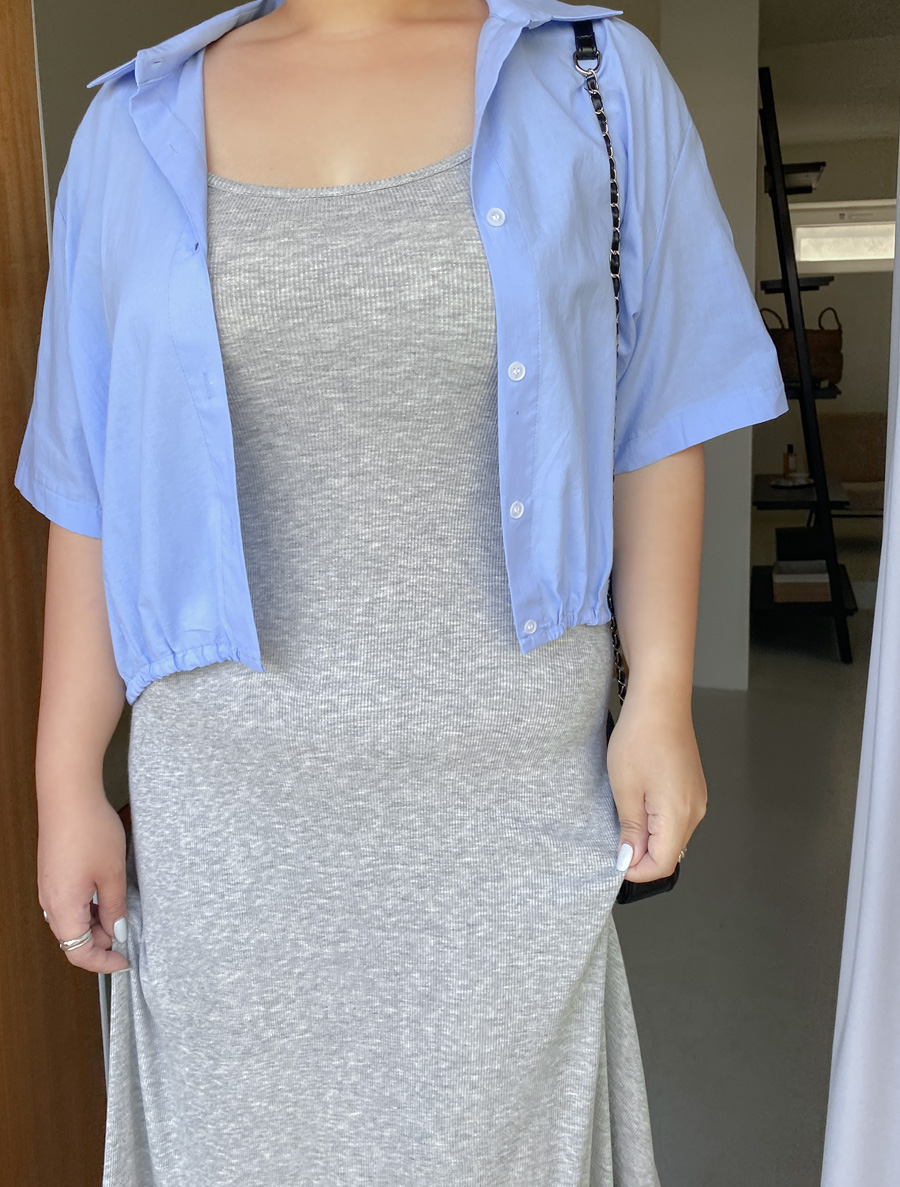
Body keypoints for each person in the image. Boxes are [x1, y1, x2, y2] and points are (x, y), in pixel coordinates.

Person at [17, 0, 788, 1182]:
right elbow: (91, 486)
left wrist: (664, 693)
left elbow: (657, 413)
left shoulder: (595, 80)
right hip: (232, 823)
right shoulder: (129, 130)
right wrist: (65, 777)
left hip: (509, 801)